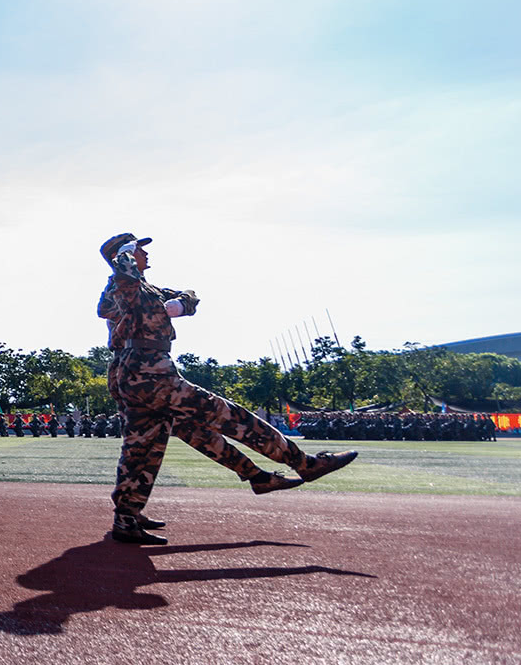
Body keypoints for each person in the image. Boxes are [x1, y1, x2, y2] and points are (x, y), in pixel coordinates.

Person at [96, 233, 356, 544]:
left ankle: (127, 517)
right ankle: (304, 464)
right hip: (146, 372)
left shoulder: (147, 288)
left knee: (143, 448)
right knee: (231, 416)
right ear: (123, 255)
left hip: (149, 370)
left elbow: (190, 295)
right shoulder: (120, 286)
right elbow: (110, 304)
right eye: (138, 249)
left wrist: (181, 304)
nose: (145, 254)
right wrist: (123, 260)